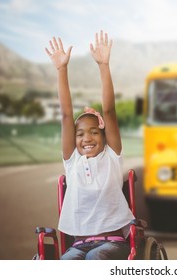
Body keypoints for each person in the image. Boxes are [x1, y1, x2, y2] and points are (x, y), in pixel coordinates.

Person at [45, 30, 134, 260]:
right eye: (81, 134)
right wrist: (61, 69)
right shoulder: (73, 161)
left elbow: (109, 111)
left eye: (94, 132)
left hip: (112, 243)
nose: (87, 138)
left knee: (95, 260)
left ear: (104, 137)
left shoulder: (112, 157)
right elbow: (66, 115)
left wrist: (103, 65)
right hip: (78, 245)